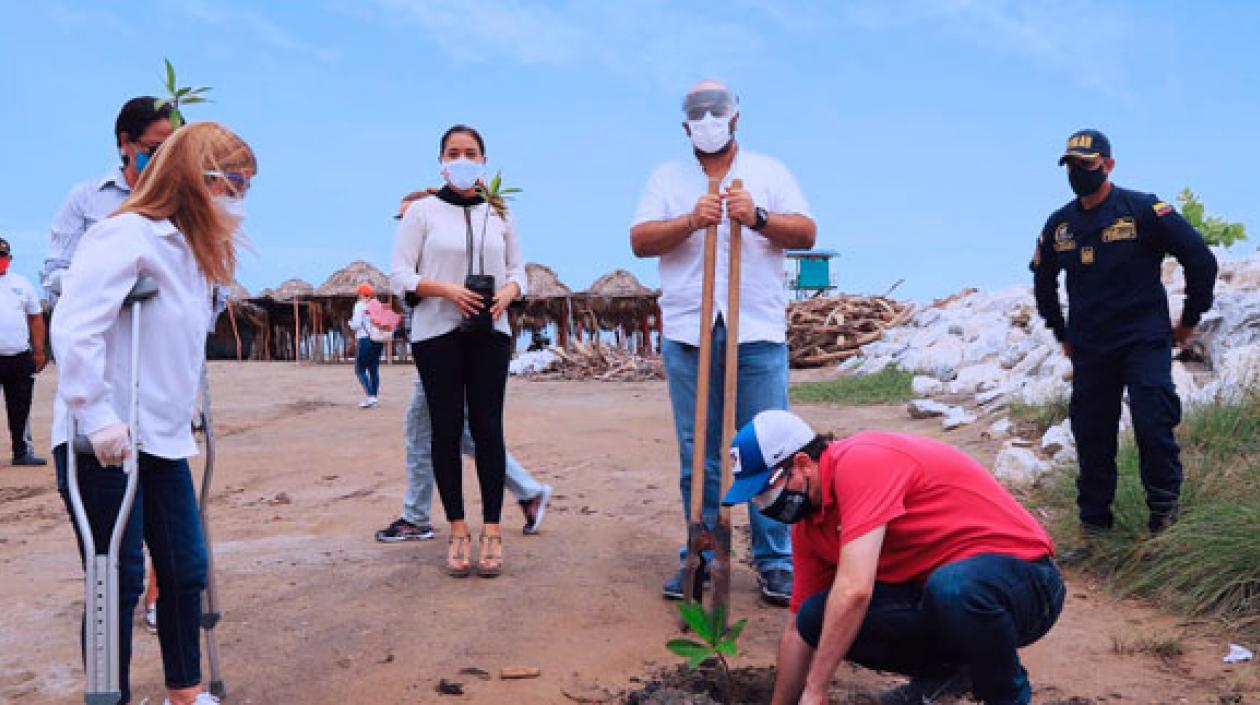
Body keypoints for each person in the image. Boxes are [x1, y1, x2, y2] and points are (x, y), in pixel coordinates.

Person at [53, 121, 256, 705]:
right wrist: (96, 416)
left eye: (246, 184)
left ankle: (185, 695)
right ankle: (108, 697)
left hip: (163, 438)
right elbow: (75, 327)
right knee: (117, 581)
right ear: (195, 178)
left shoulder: (193, 253)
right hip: (105, 440)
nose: (238, 196)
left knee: (186, 570)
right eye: (231, 181)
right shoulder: (126, 235)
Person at [718, 411, 1064, 705]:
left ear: (803, 464)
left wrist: (815, 690)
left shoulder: (861, 462)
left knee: (953, 589)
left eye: (769, 490)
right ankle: (952, 672)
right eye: (759, 500)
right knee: (814, 618)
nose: (767, 506)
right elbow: (797, 630)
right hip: (942, 596)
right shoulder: (809, 526)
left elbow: (855, 590)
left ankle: (1008, 695)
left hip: (1027, 581)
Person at [630, 79, 816, 605]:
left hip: (755, 327)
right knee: (699, 449)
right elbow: (640, 239)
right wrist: (691, 221)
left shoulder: (770, 172)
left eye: (718, 109)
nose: (708, 117)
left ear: (735, 117)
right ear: (684, 122)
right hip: (690, 327)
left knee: (769, 445)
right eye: (697, 110)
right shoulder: (666, 178)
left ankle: (776, 560)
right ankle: (703, 555)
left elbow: (805, 233)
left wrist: (755, 217)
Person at [1032, 129, 1218, 535]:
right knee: (1092, 434)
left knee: (1154, 425)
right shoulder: (1060, 225)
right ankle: (1094, 528)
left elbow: (1200, 259)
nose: (1080, 172)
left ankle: (1164, 523)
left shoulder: (1144, 210)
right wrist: (1060, 331)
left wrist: (1188, 321)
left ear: (1108, 165)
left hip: (1143, 340)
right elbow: (1043, 279)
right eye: (1072, 165)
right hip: (1090, 347)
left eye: (1088, 164)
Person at [390, 125, 526, 578]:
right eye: (453, 152)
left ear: (484, 161)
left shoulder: (499, 212)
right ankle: (457, 529)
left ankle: (492, 528)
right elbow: (400, 276)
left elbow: (519, 269)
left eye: (470, 153)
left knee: (489, 428)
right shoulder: (421, 213)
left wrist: (509, 291)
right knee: (445, 430)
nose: (462, 159)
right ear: (441, 160)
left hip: (491, 331)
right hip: (436, 333)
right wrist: (446, 290)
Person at [377, 191, 551, 543]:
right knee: (457, 429)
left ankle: (417, 516)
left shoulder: (462, 226)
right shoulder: (424, 243)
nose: (404, 223)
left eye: (406, 216)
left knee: (431, 429)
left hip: (459, 340)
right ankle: (525, 490)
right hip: (433, 343)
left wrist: (504, 290)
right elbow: (404, 284)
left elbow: (516, 270)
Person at [42, 96, 176, 299]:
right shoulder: (87, 199)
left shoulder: (185, 204)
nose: (164, 159)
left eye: (173, 151)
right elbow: (56, 272)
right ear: (125, 142)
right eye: (155, 149)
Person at [0, 237, 48, 466]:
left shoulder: (22, 283)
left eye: (3, 257)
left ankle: (22, 452)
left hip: (18, 356)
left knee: (21, 407)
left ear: (9, 259)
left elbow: (36, 318)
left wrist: (38, 352)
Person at [349, 282, 386, 408]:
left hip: (365, 339)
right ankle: (374, 397)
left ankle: (370, 397)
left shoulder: (360, 305)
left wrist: (350, 324)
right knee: (373, 369)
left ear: (360, 294)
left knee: (359, 370)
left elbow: (357, 324)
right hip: (378, 340)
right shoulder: (378, 305)